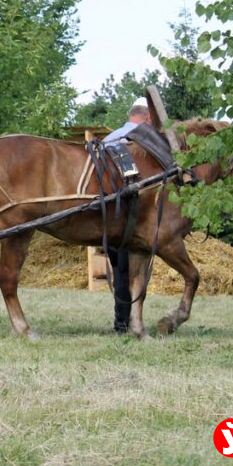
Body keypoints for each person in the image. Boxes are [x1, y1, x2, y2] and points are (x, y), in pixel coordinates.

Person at [101, 97, 152, 334]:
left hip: (104, 216)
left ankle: (121, 320)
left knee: (118, 269)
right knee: (129, 271)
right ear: (148, 117)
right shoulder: (144, 141)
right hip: (130, 217)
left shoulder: (109, 138)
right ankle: (125, 322)